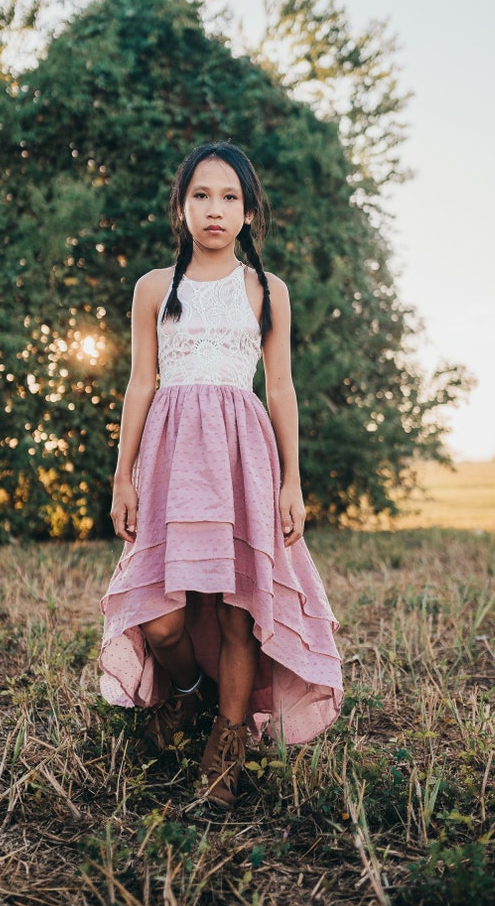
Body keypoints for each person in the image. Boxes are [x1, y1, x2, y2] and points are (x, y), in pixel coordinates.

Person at [99, 142, 342, 807]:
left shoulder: (267, 290)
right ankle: (186, 691)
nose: (215, 208)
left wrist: (292, 481)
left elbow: (281, 389)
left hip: (243, 456)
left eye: (230, 196)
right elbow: (140, 382)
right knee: (163, 619)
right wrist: (124, 476)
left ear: (249, 211)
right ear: (181, 208)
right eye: (201, 194)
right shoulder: (155, 286)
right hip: (171, 457)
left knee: (239, 613)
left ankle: (226, 751)